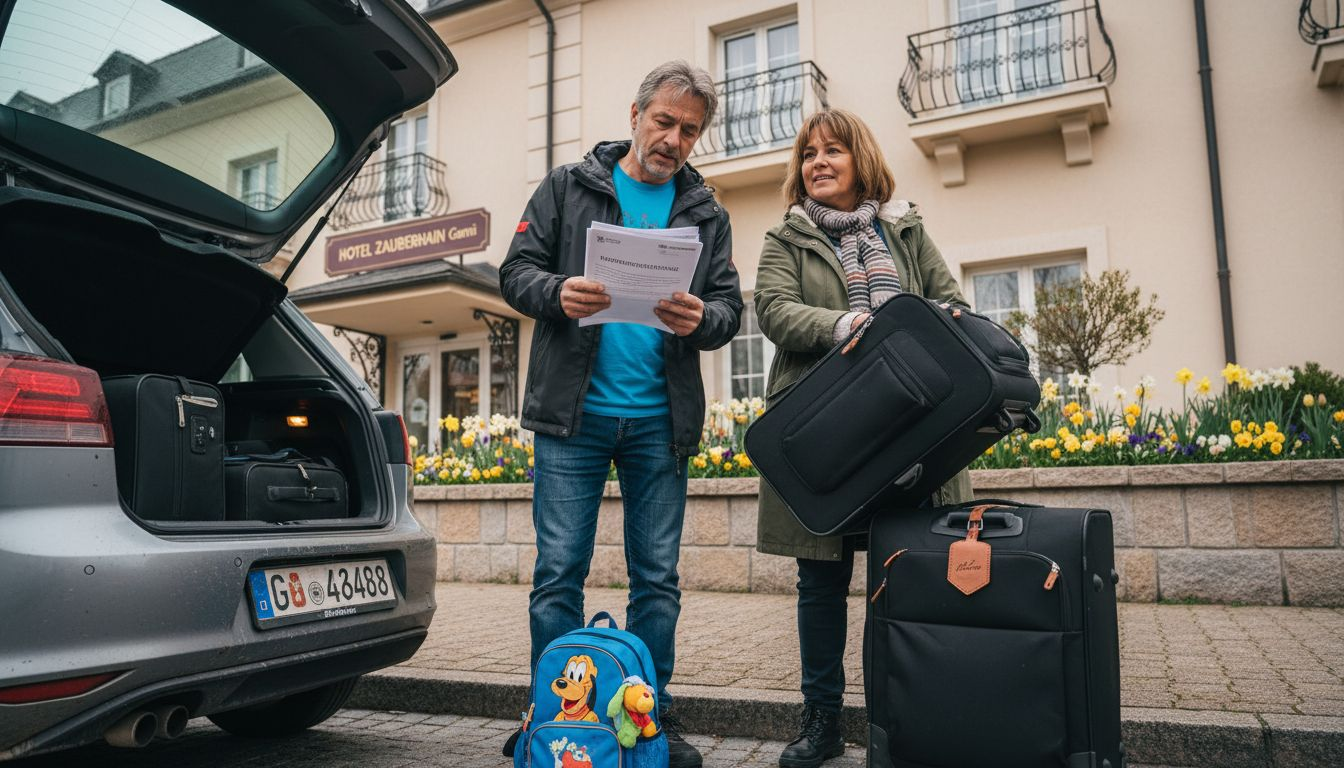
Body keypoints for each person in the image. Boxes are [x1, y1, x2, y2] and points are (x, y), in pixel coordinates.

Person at [499, 60, 743, 768]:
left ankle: (647, 721)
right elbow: (515, 271)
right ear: (634, 114)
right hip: (573, 420)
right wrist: (558, 291)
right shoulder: (567, 187)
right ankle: (551, 718)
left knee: (657, 579)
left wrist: (704, 318)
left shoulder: (707, 213)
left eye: (689, 130)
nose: (673, 138)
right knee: (558, 573)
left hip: (659, 424)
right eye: (663, 121)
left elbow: (729, 307)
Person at [753, 108, 973, 767]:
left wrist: (936, 319)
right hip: (825, 432)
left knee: (901, 581)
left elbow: (948, 297)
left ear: (860, 160)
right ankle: (822, 725)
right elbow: (774, 309)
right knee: (820, 585)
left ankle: (898, 722)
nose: (817, 163)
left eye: (832, 151)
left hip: (908, 431)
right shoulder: (785, 237)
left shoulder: (904, 229)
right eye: (808, 154)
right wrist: (846, 324)